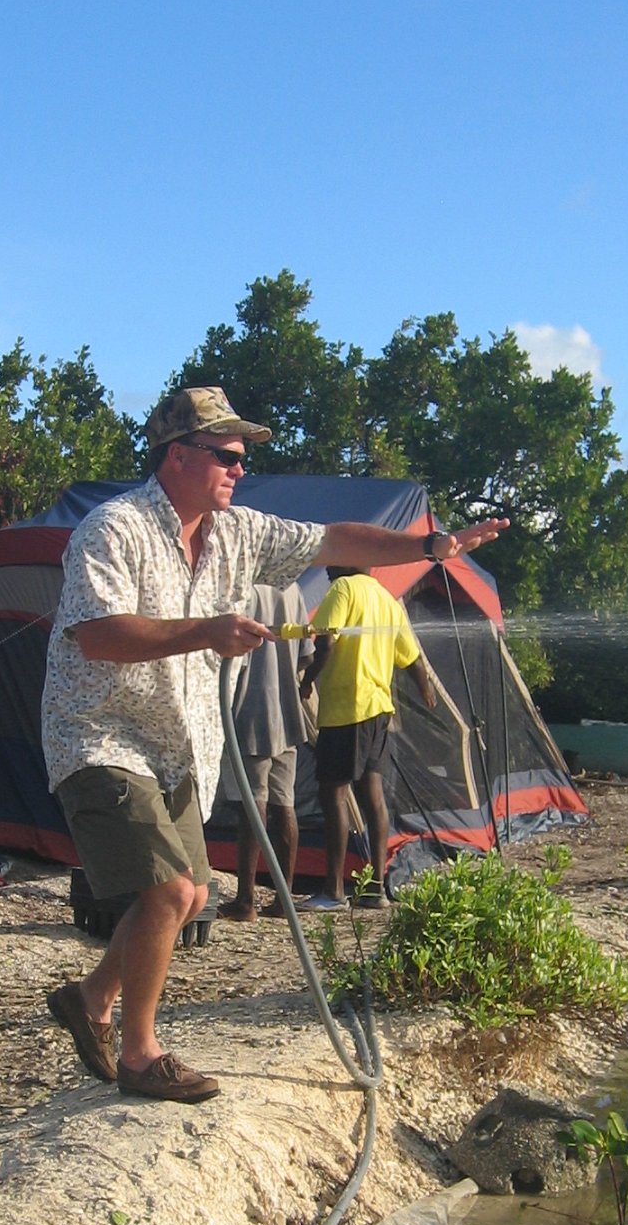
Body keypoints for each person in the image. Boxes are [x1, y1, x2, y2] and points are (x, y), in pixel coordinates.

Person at [39, 385, 506, 1103]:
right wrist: (204, 630)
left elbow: (337, 540)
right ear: (176, 456)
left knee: (193, 894)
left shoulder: (238, 532)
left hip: (178, 742)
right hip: (102, 737)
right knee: (167, 891)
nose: (238, 469)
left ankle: (91, 999)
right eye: (226, 454)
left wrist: (428, 546)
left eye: (242, 457)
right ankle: (140, 1056)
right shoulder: (113, 528)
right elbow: (97, 636)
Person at [302, 568, 436, 910]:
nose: (327, 568)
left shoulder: (344, 588)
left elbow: (327, 641)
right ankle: (375, 887)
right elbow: (411, 657)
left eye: (332, 560)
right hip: (378, 710)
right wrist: (426, 690)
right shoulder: (387, 600)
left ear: (347, 563)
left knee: (333, 792)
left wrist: (307, 680)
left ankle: (333, 891)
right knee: (372, 796)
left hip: (348, 707)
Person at [218, 580, 313, 922]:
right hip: (287, 712)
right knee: (284, 803)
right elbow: (305, 655)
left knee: (251, 802)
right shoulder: (293, 589)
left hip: (250, 707)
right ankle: (282, 898)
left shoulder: (243, 586)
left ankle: (245, 901)